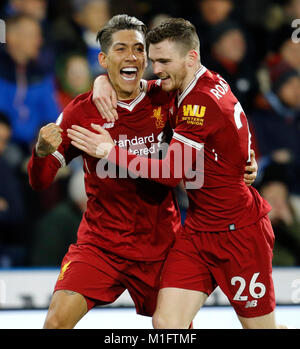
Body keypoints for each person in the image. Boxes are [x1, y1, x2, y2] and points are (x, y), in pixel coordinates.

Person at [28, 14, 256, 329]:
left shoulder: (166, 97)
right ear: (103, 59)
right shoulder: (81, 112)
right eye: (121, 49)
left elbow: (220, 114)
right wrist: (40, 154)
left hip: (161, 244)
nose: (132, 56)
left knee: (173, 329)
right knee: (55, 323)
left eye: (138, 48)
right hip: (101, 245)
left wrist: (243, 159)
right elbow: (39, 181)